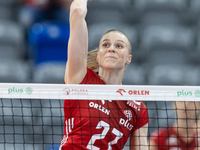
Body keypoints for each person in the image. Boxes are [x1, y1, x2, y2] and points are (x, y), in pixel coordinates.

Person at [59, 0, 150, 149]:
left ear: (128, 58)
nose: (111, 49)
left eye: (119, 46)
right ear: (98, 56)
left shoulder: (137, 109)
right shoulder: (81, 79)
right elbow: (76, 11)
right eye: (105, 45)